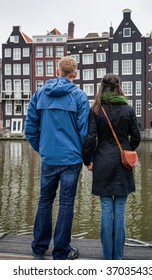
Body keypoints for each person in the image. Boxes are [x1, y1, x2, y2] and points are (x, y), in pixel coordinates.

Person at [24, 56, 90, 260]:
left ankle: (39, 247)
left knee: (44, 200)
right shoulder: (79, 96)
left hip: (49, 157)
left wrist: (42, 148)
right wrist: (82, 155)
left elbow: (30, 128)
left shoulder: (39, 94)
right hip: (71, 159)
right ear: (75, 74)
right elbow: (84, 132)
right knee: (66, 203)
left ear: (57, 70)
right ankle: (61, 251)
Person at [82, 73, 141, 260]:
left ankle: (107, 257)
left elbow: (90, 139)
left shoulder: (96, 110)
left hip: (102, 162)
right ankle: (118, 257)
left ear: (102, 87)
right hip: (123, 164)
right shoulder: (128, 109)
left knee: (106, 208)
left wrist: (87, 159)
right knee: (121, 209)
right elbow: (137, 137)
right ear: (118, 87)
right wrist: (127, 150)